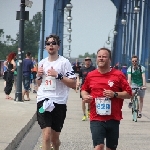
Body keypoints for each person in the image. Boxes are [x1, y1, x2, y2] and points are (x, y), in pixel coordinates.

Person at [81, 48, 132, 150]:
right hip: (96, 117)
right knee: (98, 147)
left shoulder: (118, 75)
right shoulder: (91, 75)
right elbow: (84, 90)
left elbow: (129, 94)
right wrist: (85, 96)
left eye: (104, 57)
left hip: (113, 118)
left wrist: (115, 94)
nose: (101, 59)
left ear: (109, 60)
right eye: (99, 56)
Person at [36, 34, 76, 150]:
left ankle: (56, 146)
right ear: (45, 47)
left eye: (53, 43)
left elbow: (73, 84)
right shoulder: (42, 63)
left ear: (58, 46)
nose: (51, 45)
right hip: (43, 101)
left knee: (54, 139)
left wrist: (58, 76)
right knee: (46, 135)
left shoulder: (64, 63)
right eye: (48, 44)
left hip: (59, 103)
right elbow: (39, 84)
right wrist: (38, 76)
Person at [77, 57, 95, 121]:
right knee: (83, 101)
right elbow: (78, 76)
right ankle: (84, 115)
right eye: (86, 60)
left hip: (91, 86)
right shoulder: (82, 69)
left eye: (89, 60)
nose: (88, 61)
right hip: (84, 87)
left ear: (90, 61)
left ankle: (89, 111)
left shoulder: (93, 68)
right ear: (84, 61)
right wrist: (78, 82)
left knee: (89, 100)